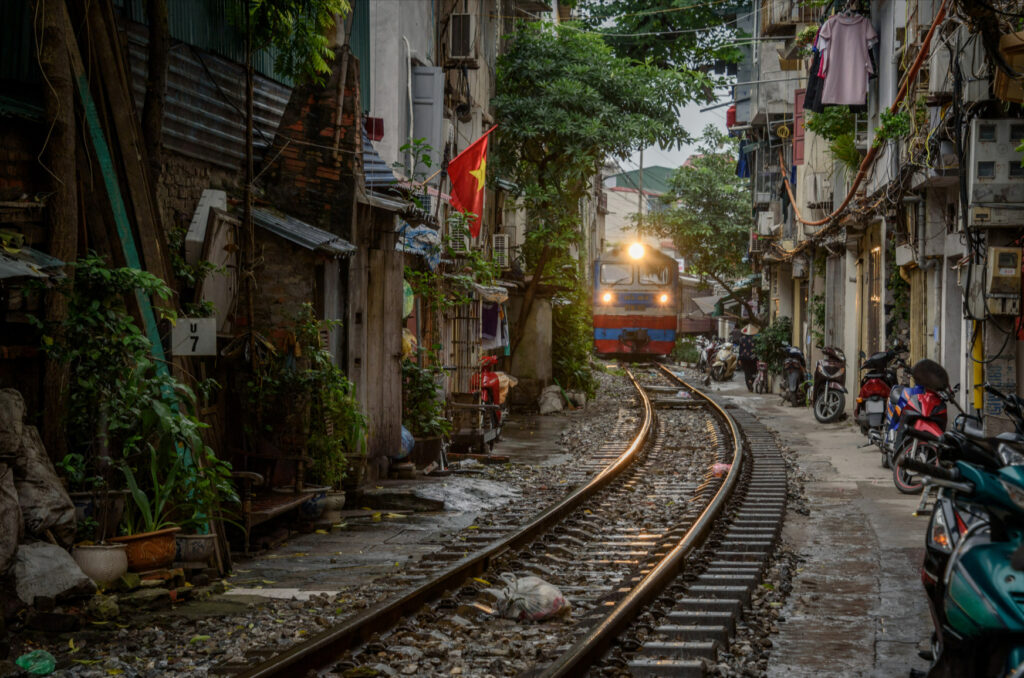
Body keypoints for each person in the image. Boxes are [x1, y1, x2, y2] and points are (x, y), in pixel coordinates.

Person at [737, 323, 759, 392]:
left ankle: (749, 386)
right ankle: (751, 381)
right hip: (753, 358)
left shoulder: (742, 339)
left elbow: (740, 350)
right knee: (754, 372)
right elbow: (758, 349)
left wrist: (739, 359)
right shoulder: (756, 339)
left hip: (744, 358)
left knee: (747, 372)